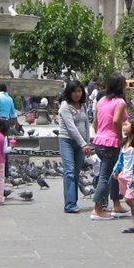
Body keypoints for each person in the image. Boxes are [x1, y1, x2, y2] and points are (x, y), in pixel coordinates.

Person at [90, 73, 129, 221]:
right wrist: (120, 138)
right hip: (111, 143)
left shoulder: (102, 101)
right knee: (105, 176)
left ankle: (116, 205)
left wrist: (99, 134)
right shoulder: (120, 102)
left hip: (99, 141)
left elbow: (95, 121)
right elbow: (117, 120)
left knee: (114, 174)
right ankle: (97, 209)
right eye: (124, 84)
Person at [58, 80, 91, 214]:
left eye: (79, 91)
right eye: (74, 91)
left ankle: (73, 201)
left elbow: (86, 124)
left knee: (76, 173)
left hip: (81, 143)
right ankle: (70, 204)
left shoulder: (82, 105)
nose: (77, 94)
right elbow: (71, 128)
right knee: (70, 172)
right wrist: (83, 144)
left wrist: (87, 142)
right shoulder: (65, 107)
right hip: (67, 141)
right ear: (69, 93)